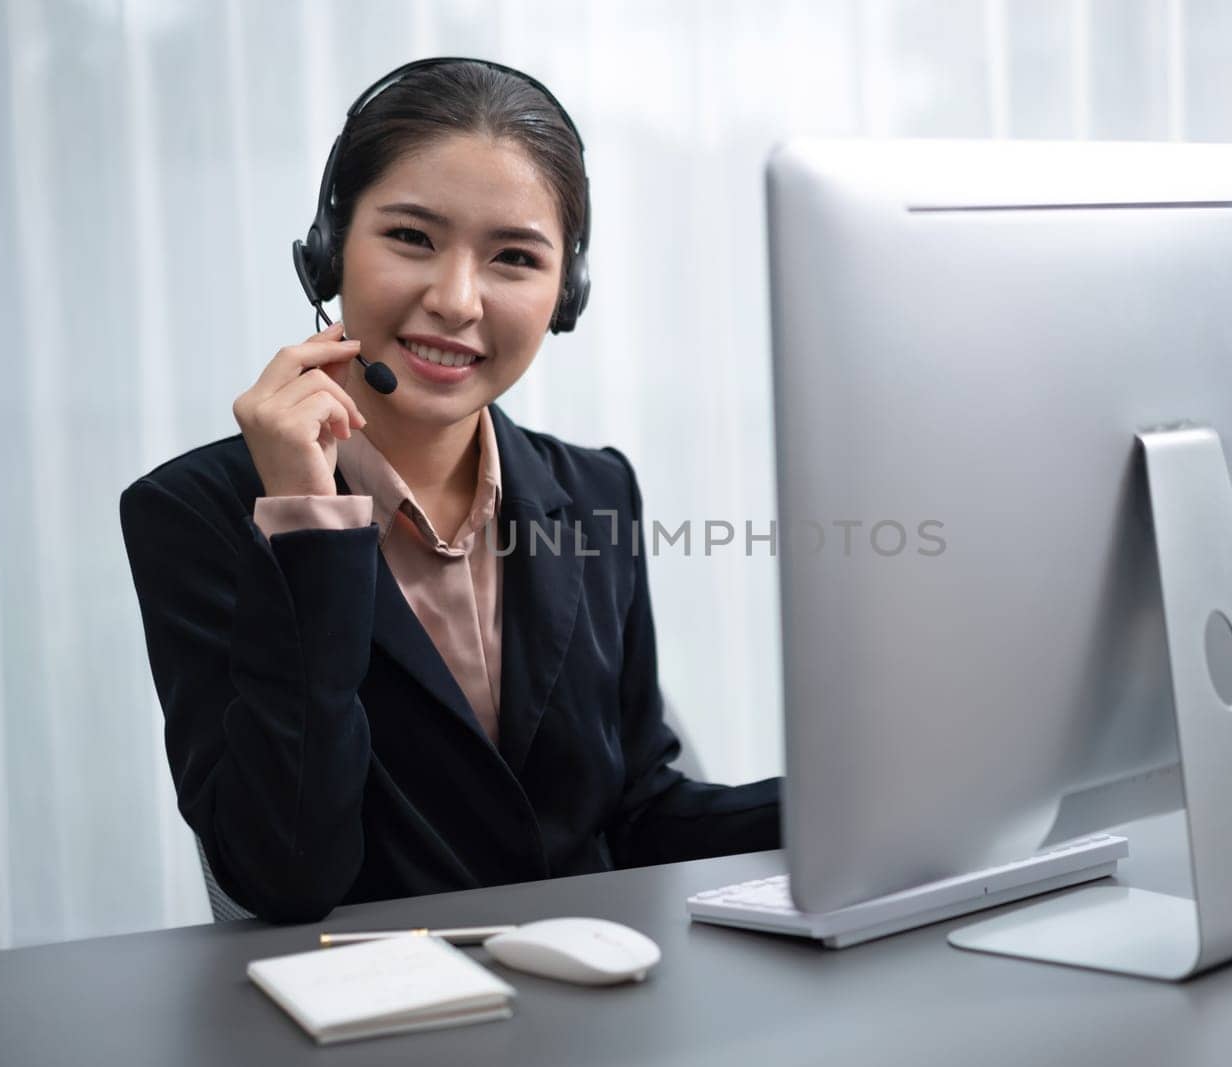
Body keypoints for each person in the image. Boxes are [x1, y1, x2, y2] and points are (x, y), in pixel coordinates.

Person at [120, 58, 780, 924]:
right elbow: (285, 872)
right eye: (411, 238)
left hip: (594, 1011)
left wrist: (845, 797)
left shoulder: (594, 490)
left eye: (514, 256)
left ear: (564, 294)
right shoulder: (197, 511)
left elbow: (636, 811)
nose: (457, 299)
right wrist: (309, 528)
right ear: (327, 253)